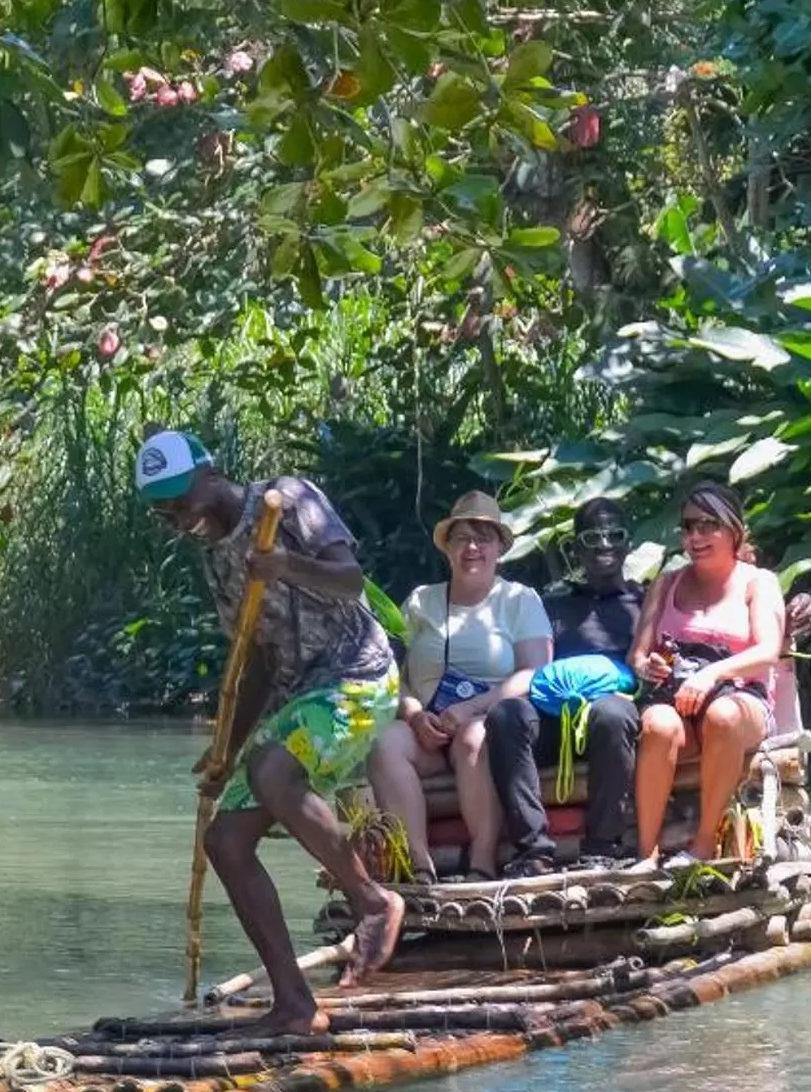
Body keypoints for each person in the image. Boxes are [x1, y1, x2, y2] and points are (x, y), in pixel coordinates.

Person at [137, 430, 404, 1026]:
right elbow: (255, 661)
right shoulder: (217, 563)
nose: (181, 517)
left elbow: (349, 579)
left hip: (358, 677)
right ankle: (294, 1002)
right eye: (166, 511)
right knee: (225, 842)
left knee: (274, 769)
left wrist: (286, 565)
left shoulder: (288, 499)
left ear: (211, 476)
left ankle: (373, 901)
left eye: (184, 500)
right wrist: (223, 751)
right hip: (296, 700)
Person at [365, 491, 551, 879]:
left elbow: (534, 671)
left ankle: (481, 861)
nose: (472, 547)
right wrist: (414, 715)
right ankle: (418, 863)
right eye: (461, 537)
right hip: (427, 725)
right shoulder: (420, 601)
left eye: (483, 538)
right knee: (385, 744)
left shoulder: (519, 600)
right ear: (447, 548)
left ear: (499, 547)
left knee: (474, 738)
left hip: (484, 719)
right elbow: (389, 673)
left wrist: (469, 708)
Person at [485, 495, 645, 869]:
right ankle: (534, 849)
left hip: (611, 727)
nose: (604, 545)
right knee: (507, 715)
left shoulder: (646, 602)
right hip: (554, 720)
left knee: (612, 713)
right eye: (591, 538)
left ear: (627, 544)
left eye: (614, 535)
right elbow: (531, 663)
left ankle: (602, 847)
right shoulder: (552, 605)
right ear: (575, 549)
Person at [631, 480, 786, 863]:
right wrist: (645, 666)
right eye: (688, 526)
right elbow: (636, 654)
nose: (695, 536)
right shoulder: (665, 584)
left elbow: (768, 651)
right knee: (657, 726)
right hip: (675, 696)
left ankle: (702, 845)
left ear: (734, 531)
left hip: (740, 698)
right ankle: (645, 854)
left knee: (723, 715)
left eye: (707, 525)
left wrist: (711, 674)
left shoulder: (758, 583)